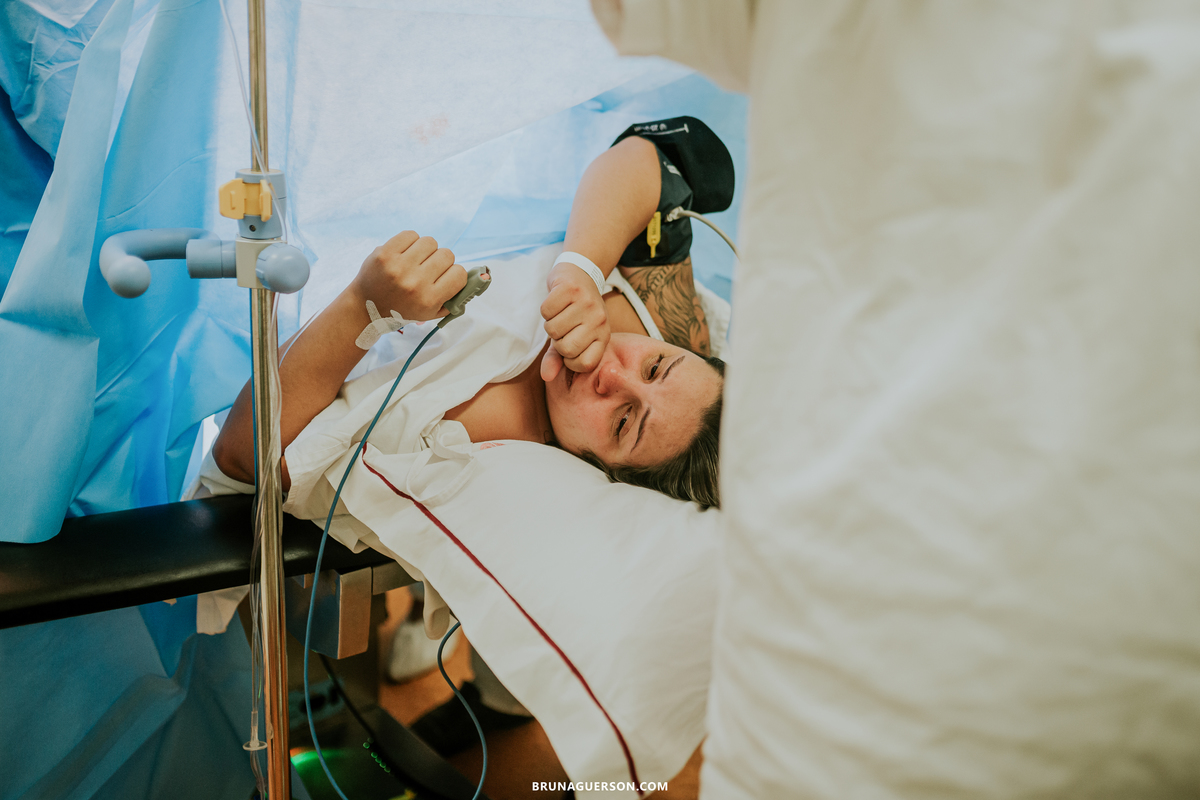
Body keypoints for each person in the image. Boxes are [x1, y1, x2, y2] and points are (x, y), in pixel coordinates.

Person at [211, 134, 724, 509]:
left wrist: (363, 309)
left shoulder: (477, 444)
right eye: (656, 367)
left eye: (623, 421)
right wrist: (582, 270)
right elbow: (647, 159)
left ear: (604, 475)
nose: (612, 373)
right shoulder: (670, 323)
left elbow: (248, 458)